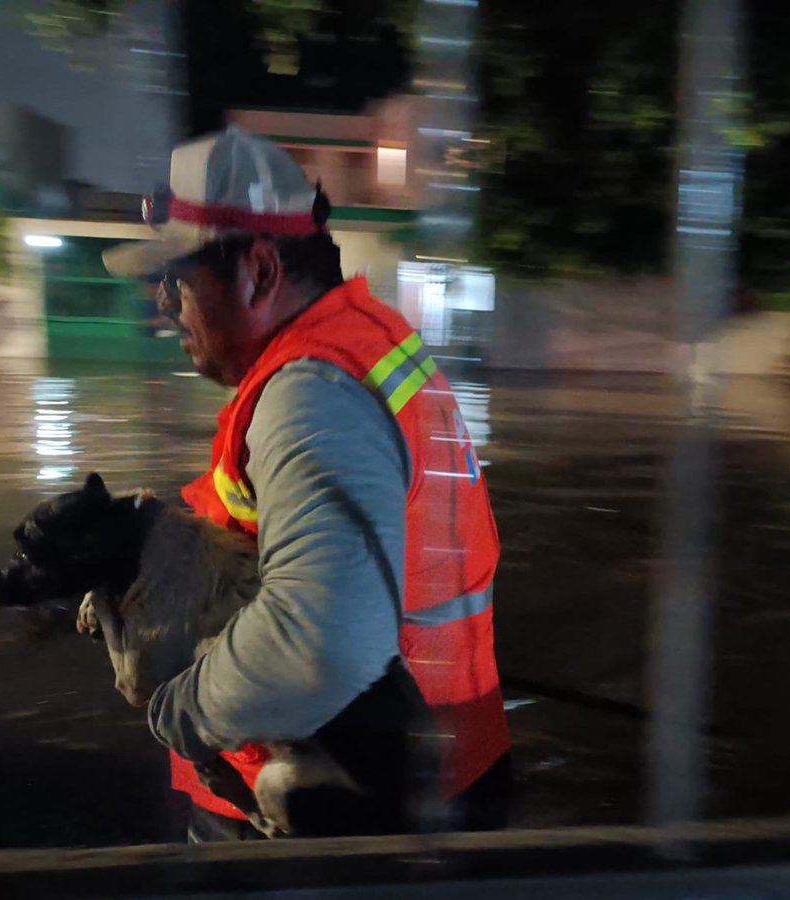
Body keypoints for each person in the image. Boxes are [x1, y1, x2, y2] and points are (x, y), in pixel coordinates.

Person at [103, 126, 511, 842]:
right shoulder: (367, 341)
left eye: (176, 279)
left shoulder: (312, 397)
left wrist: (180, 715)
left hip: (342, 810)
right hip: (430, 779)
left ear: (258, 271)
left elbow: (320, 644)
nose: (162, 303)